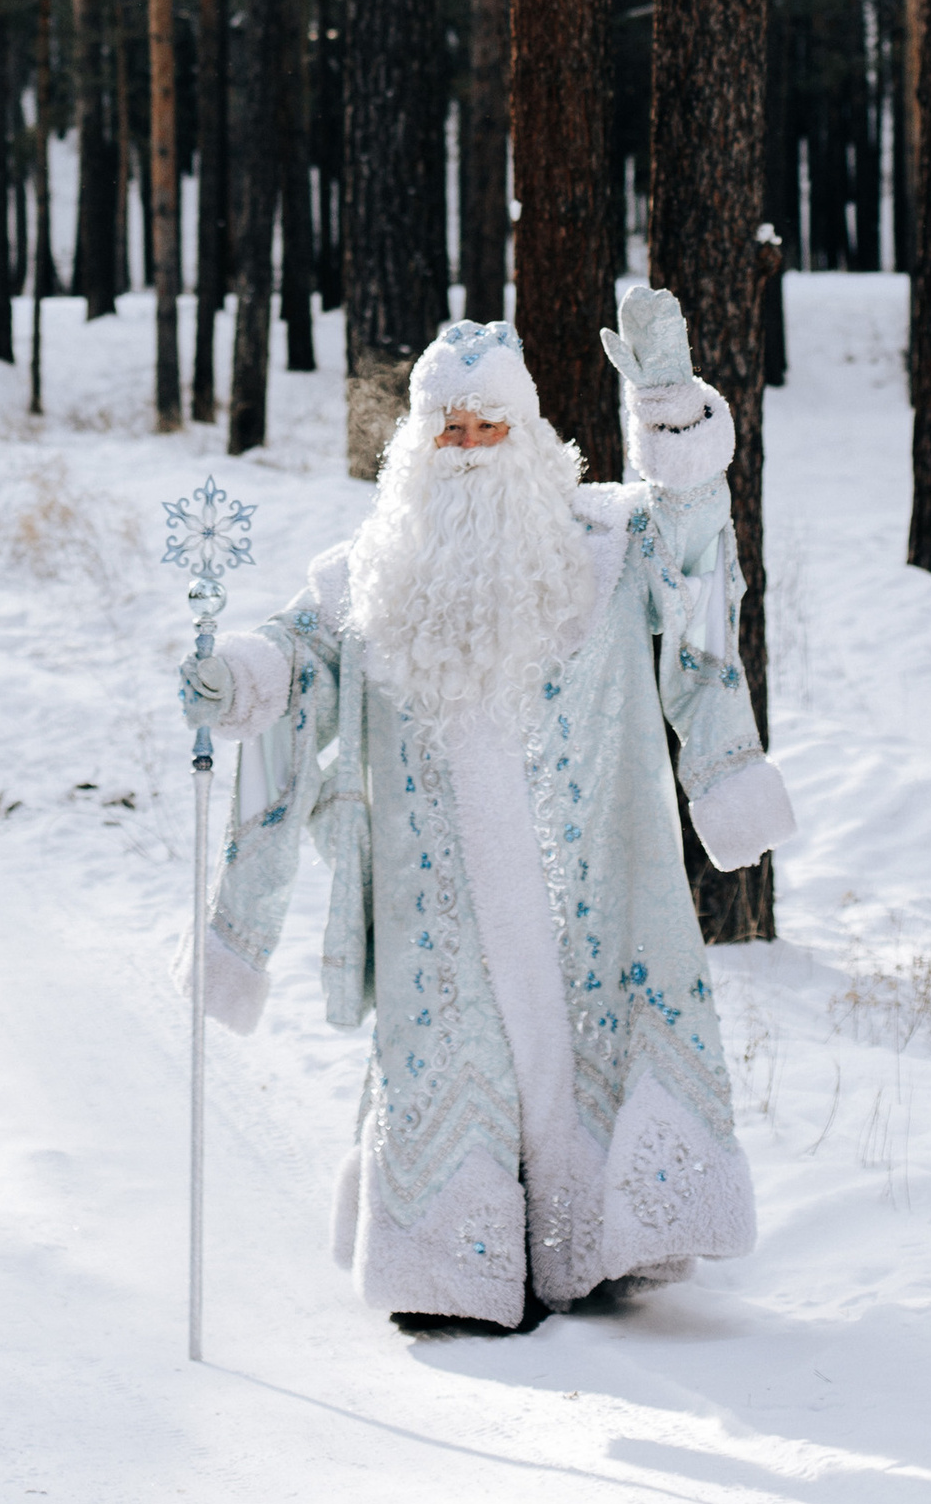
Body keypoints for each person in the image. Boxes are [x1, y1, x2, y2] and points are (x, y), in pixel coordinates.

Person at [176, 292, 795, 1333]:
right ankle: (448, 1270)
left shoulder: (600, 542)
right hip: (436, 896)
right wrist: (236, 676)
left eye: (486, 426)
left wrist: (667, 405)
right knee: (453, 1057)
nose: (465, 448)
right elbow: (296, 656)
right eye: (446, 429)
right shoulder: (366, 570)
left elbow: (693, 547)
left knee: (577, 1051)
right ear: (418, 439)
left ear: (526, 432)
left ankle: (595, 1250)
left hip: (585, 877)